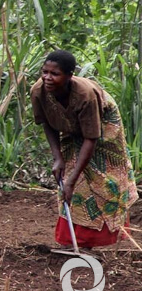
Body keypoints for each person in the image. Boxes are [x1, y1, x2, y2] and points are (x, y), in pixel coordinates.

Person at [31, 50, 137, 248]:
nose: (47, 78)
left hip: (103, 124)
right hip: (70, 125)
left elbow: (91, 137)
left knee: (103, 177)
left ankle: (98, 239)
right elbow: (47, 122)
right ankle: (73, 241)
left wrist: (71, 181)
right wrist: (57, 158)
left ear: (70, 76)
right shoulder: (38, 91)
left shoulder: (85, 95)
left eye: (55, 74)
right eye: (44, 72)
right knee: (70, 175)